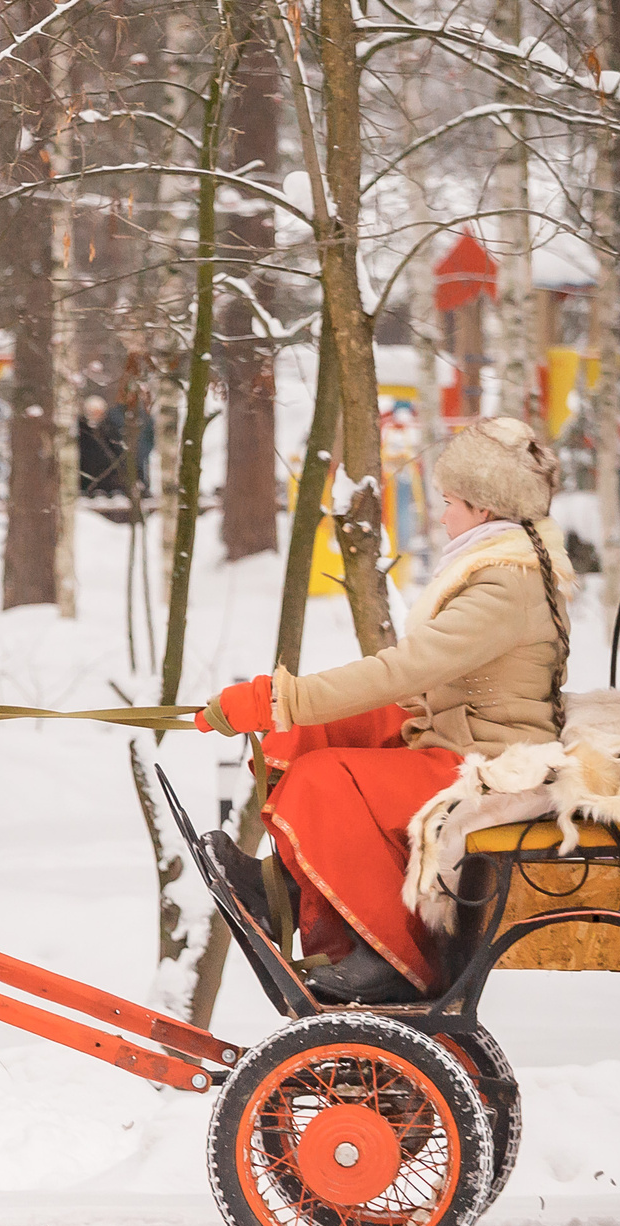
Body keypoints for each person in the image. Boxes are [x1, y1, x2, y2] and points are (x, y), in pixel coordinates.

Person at [195, 417, 576, 1003]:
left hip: (490, 762)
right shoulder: (504, 567)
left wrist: (278, 699)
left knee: (324, 780)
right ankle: (289, 892)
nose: (442, 515)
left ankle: (392, 955)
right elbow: (427, 680)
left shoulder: (505, 584)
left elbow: (406, 669)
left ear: (481, 507)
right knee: (317, 734)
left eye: (449, 502)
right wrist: (294, 713)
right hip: (468, 734)